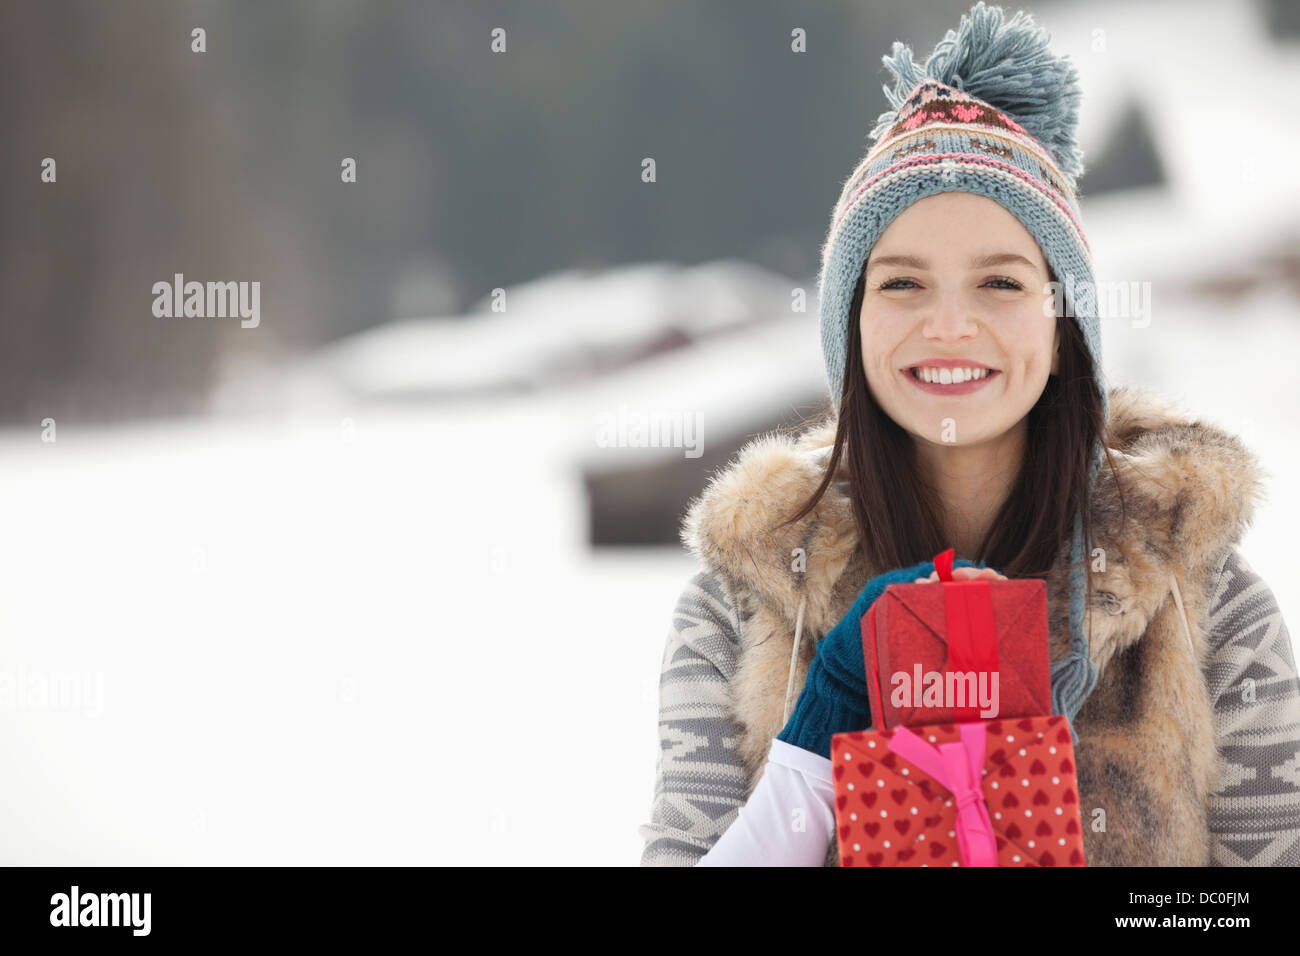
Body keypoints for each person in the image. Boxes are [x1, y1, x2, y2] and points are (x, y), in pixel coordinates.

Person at [638, 2, 1300, 867]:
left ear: (1064, 329)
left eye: (1000, 282)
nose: (949, 326)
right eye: (904, 284)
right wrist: (811, 764)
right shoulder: (746, 605)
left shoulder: (1201, 603)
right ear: (854, 321)